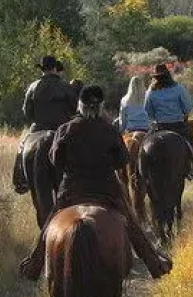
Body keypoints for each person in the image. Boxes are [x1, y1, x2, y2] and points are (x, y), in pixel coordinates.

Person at [18, 84, 172, 280]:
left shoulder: (65, 129)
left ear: (80, 105)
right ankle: (154, 263)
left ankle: (34, 265)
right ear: (101, 107)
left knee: (51, 221)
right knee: (131, 222)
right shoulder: (109, 130)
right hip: (106, 189)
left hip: (72, 190)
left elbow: (55, 160)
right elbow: (122, 161)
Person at [13, 55, 78, 193]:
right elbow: (74, 109)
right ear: (55, 68)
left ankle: (20, 180)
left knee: (23, 145)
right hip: (63, 129)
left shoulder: (33, 87)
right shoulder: (66, 87)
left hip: (39, 127)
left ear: (42, 69)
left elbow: (27, 112)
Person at [144, 63, 193, 190]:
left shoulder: (150, 92)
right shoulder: (178, 88)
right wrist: (182, 114)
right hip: (178, 126)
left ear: (155, 78)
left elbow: (148, 112)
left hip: (159, 126)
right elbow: (188, 107)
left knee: (144, 145)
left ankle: (137, 175)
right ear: (168, 75)